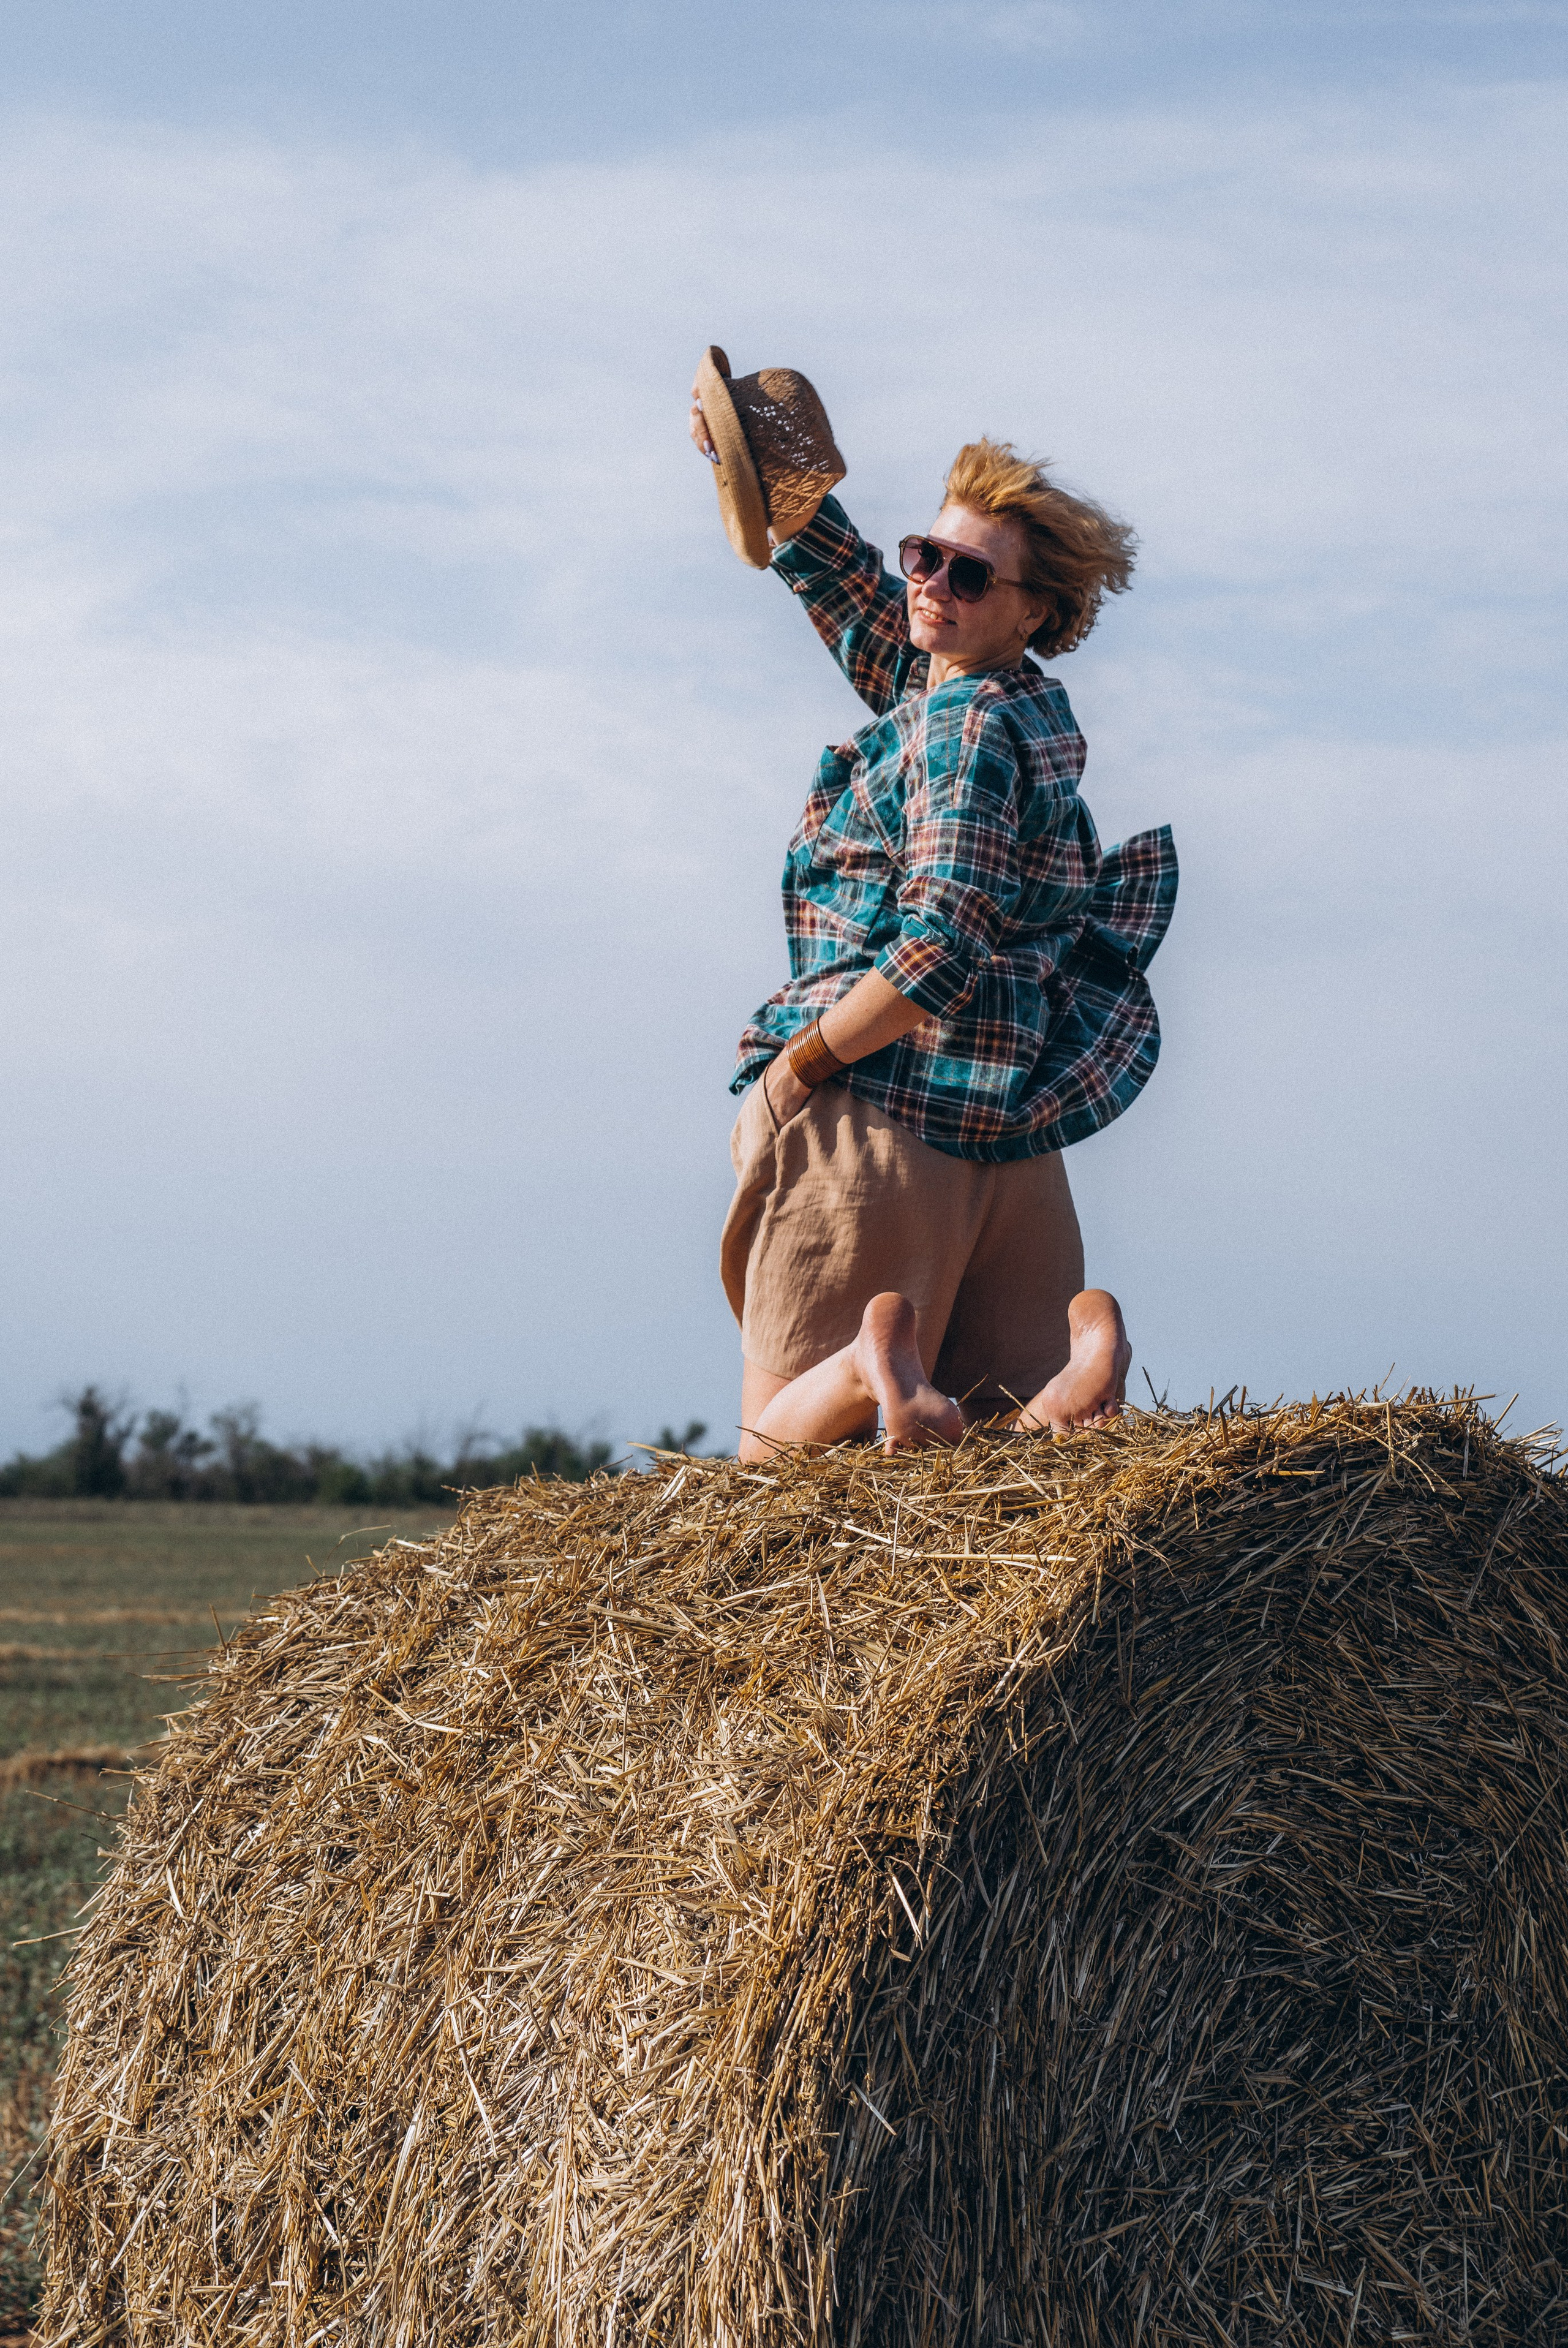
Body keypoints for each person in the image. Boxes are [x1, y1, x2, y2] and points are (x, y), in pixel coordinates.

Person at [690, 361, 1176, 1463]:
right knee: (996, 1482)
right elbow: (881, 630)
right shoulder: (1024, 712)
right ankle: (1075, 1371)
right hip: (1012, 1147)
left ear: (1033, 610)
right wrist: (779, 492)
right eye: (925, 556)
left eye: (966, 576)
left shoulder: (959, 731)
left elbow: (942, 944)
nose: (931, 588)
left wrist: (801, 1064)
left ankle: (867, 1364)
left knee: (769, 1487)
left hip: (885, 1129)